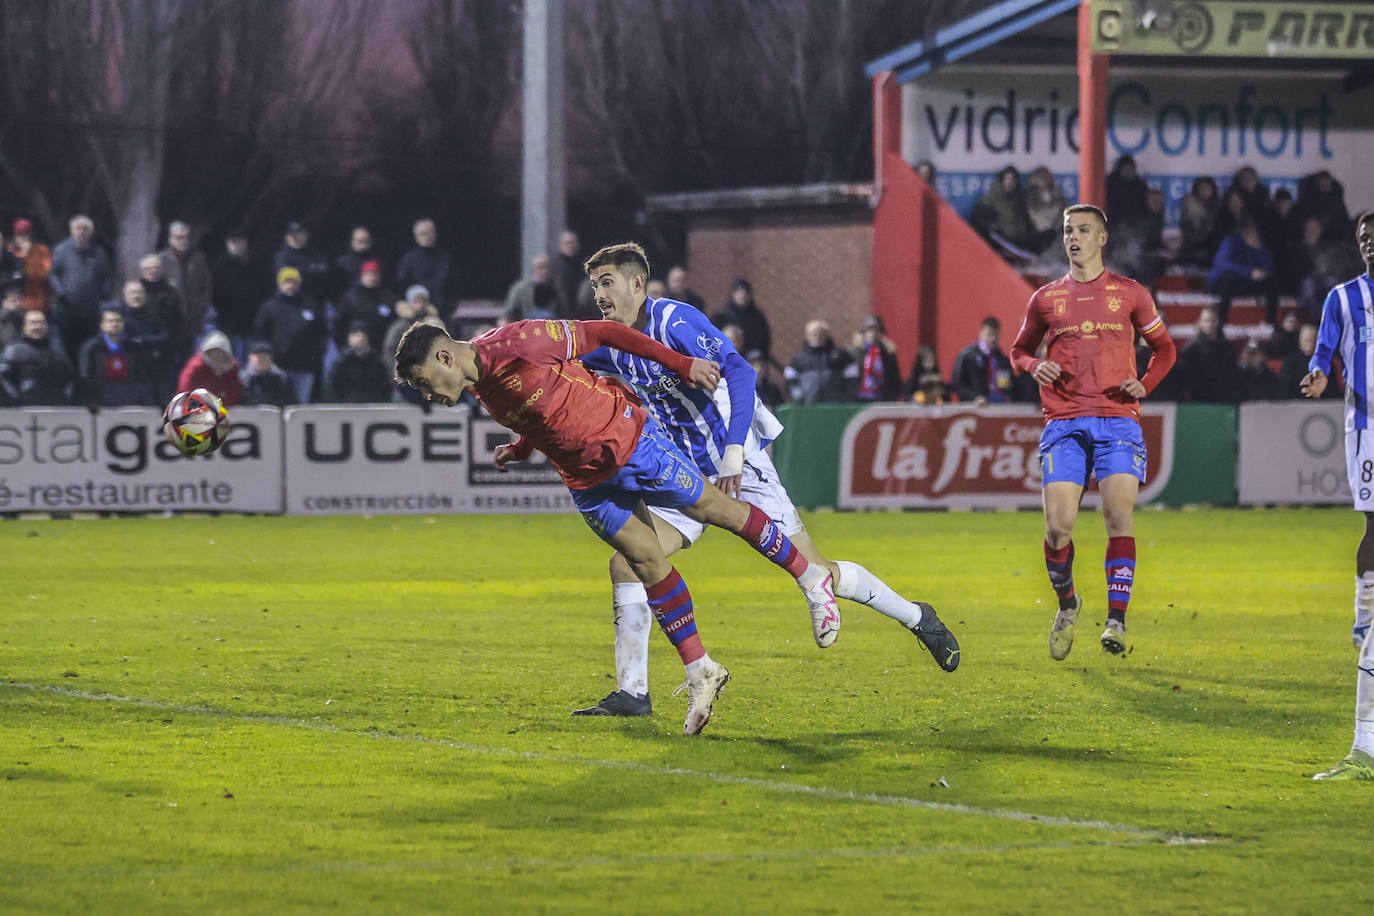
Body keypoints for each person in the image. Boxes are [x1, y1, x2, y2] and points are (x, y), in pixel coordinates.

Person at [393, 316, 848, 736]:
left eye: (423, 382)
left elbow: (607, 333)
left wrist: (681, 362)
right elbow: (542, 404)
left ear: (444, 357)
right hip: (586, 480)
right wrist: (523, 447)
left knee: (716, 510)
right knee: (642, 561)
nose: (427, 395)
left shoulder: (521, 342)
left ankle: (811, 578)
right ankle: (701, 670)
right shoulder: (478, 385)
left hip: (629, 441)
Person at [567, 242, 959, 716]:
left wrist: (734, 452)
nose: (599, 295)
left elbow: (739, 371)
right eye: (594, 287)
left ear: (636, 284)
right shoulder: (613, 342)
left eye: (606, 283)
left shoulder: (675, 320)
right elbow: (571, 367)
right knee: (628, 562)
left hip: (739, 467)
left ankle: (919, 618)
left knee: (820, 574)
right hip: (681, 472)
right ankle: (633, 693)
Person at [1010, 204, 1177, 659]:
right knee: (1058, 528)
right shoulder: (1045, 298)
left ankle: (1116, 622)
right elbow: (1018, 350)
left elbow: (1164, 349)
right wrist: (1033, 364)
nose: (1073, 237)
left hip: (1118, 419)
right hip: (1063, 423)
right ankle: (1068, 603)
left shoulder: (1131, 294)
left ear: (1103, 238)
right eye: (1067, 230)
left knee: (1118, 517)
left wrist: (1145, 383)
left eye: (1083, 230)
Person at [1302, 209, 1374, 781]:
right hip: (1366, 428)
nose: (1369, 242)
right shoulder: (1344, 298)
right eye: (1362, 237)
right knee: (1373, 526)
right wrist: (1318, 375)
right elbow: (1325, 353)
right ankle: (1364, 609)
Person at [252, 266, 325, 404]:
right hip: (277, 369)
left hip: (304, 367)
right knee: (277, 405)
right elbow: (260, 334)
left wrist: (317, 353)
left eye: (294, 282)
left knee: (300, 407)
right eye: (287, 282)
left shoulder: (310, 305)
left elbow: (321, 332)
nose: (290, 285)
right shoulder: (270, 307)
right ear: (280, 284)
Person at [48, 214, 114, 360]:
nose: (82, 232)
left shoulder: (99, 253)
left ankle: (85, 378)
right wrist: (61, 293)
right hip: (68, 309)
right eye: (78, 228)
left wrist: (104, 293)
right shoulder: (62, 250)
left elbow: (107, 275)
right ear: (72, 231)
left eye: (85, 229)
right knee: (68, 346)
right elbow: (53, 274)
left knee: (89, 346)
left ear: (91, 232)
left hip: (91, 310)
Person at [77, 308, 156, 407]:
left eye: (118, 321)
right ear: (102, 326)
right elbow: (86, 376)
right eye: (110, 321)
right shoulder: (92, 348)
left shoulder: (134, 347)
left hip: (130, 400)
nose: (114, 324)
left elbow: (143, 375)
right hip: (101, 401)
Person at [1208, 219, 1280, 327]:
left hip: (1244, 283)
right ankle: (1221, 320)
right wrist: (1249, 272)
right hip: (1221, 282)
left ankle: (1270, 320)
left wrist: (1259, 249)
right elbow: (1224, 264)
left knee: (1271, 282)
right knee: (1229, 278)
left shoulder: (1258, 245)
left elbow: (1269, 269)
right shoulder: (1230, 241)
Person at [211, 229, 267, 364]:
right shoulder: (220, 265)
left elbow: (264, 290)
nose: (236, 245)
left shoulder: (256, 264)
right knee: (228, 361)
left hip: (251, 321)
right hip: (227, 321)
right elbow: (214, 293)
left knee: (250, 360)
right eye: (233, 242)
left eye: (239, 242)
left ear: (245, 243)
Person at [0, 310, 74, 406]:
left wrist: (64, 397)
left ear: (47, 326)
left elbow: (69, 377)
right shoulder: (14, 351)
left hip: (54, 409)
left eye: (41, 322)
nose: (38, 326)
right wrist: (16, 399)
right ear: (25, 327)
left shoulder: (58, 352)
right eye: (33, 323)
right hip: (23, 411)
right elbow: (4, 379)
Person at [157, 220, 214, 341]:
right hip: (169, 316)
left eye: (186, 237)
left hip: (193, 316)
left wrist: (202, 303)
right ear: (170, 239)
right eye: (179, 237)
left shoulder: (198, 259)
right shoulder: (161, 260)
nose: (183, 241)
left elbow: (207, 285)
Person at [1178, 307, 1240, 404]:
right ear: (1200, 322)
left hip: (1224, 401)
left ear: (1218, 322)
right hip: (1200, 401)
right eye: (1206, 321)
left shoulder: (1227, 347)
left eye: (1213, 320)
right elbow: (1188, 379)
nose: (1210, 324)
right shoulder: (1191, 349)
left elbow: (1232, 375)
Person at [970, 165, 1036, 257]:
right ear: (1002, 180)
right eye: (1007, 179)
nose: (1010, 182)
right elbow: (979, 220)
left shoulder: (1020, 199)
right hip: (1000, 241)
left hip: (1019, 241)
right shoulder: (992, 198)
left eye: (1013, 179)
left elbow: (1027, 222)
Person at [784, 319, 853, 403]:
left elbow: (852, 379)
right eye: (813, 334)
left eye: (820, 334)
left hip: (835, 407)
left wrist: (847, 397)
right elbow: (790, 381)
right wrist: (799, 398)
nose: (817, 337)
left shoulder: (841, 356)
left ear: (826, 335)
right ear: (807, 336)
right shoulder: (798, 359)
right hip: (809, 408)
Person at [334, 260, 395, 354]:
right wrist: (344, 344)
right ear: (362, 276)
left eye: (375, 275)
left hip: (379, 346)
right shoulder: (351, 296)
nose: (372, 278)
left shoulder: (387, 297)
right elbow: (340, 323)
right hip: (355, 346)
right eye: (368, 274)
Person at [396, 218, 456, 310]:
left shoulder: (446, 258)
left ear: (435, 234)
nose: (426, 237)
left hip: (443, 310)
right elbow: (402, 285)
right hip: (416, 311)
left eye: (429, 233)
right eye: (422, 234)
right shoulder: (409, 259)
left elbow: (454, 286)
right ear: (416, 237)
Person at [951, 317, 1014, 405]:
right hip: (974, 406)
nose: (993, 339)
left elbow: (1008, 384)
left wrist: (1007, 393)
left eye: (996, 335)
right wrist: (973, 397)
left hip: (999, 405)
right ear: (981, 333)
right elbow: (957, 383)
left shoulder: (1003, 360)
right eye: (990, 335)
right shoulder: (967, 356)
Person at [325, 322, 392, 403]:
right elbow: (332, 387)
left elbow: (385, 385)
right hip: (347, 407)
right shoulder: (341, 362)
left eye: (363, 335)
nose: (360, 338)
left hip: (373, 407)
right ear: (349, 338)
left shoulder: (376, 361)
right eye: (356, 335)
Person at [712, 279, 772, 363]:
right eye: (739, 293)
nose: (742, 296)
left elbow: (764, 340)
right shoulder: (721, 317)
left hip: (751, 359)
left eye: (745, 293)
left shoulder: (758, 318)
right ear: (733, 294)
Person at [177, 329, 243, 406]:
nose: (217, 355)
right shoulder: (195, 367)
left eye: (220, 352)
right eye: (213, 352)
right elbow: (185, 390)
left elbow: (235, 392)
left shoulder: (232, 369)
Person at [273, 221, 331, 304]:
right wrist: (308, 271)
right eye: (292, 235)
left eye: (299, 234)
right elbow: (288, 277)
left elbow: (325, 272)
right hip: (291, 301)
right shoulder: (281, 257)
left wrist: (302, 272)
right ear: (286, 237)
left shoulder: (316, 254)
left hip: (316, 299)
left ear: (306, 235)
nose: (296, 237)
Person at [852, 315, 901, 401]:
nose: (873, 333)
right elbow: (851, 378)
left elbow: (895, 378)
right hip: (861, 399)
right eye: (870, 330)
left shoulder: (888, 354)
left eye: (876, 330)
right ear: (864, 333)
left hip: (883, 399)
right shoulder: (856, 353)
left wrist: (892, 396)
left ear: (880, 333)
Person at [501, 253, 560, 323]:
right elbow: (510, 311)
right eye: (541, 267)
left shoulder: (557, 286)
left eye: (548, 267)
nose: (545, 271)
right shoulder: (521, 288)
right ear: (534, 269)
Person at [1177, 177, 1221, 268]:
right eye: (1201, 188)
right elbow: (1187, 231)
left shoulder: (1219, 206)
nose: (1204, 191)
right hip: (1191, 247)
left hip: (1212, 248)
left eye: (1207, 188)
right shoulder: (1189, 205)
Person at [240, 340, 296, 408]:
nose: (261, 360)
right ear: (250, 358)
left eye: (264, 356)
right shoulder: (242, 380)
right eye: (258, 356)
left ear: (271, 358)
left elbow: (292, 404)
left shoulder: (283, 380)